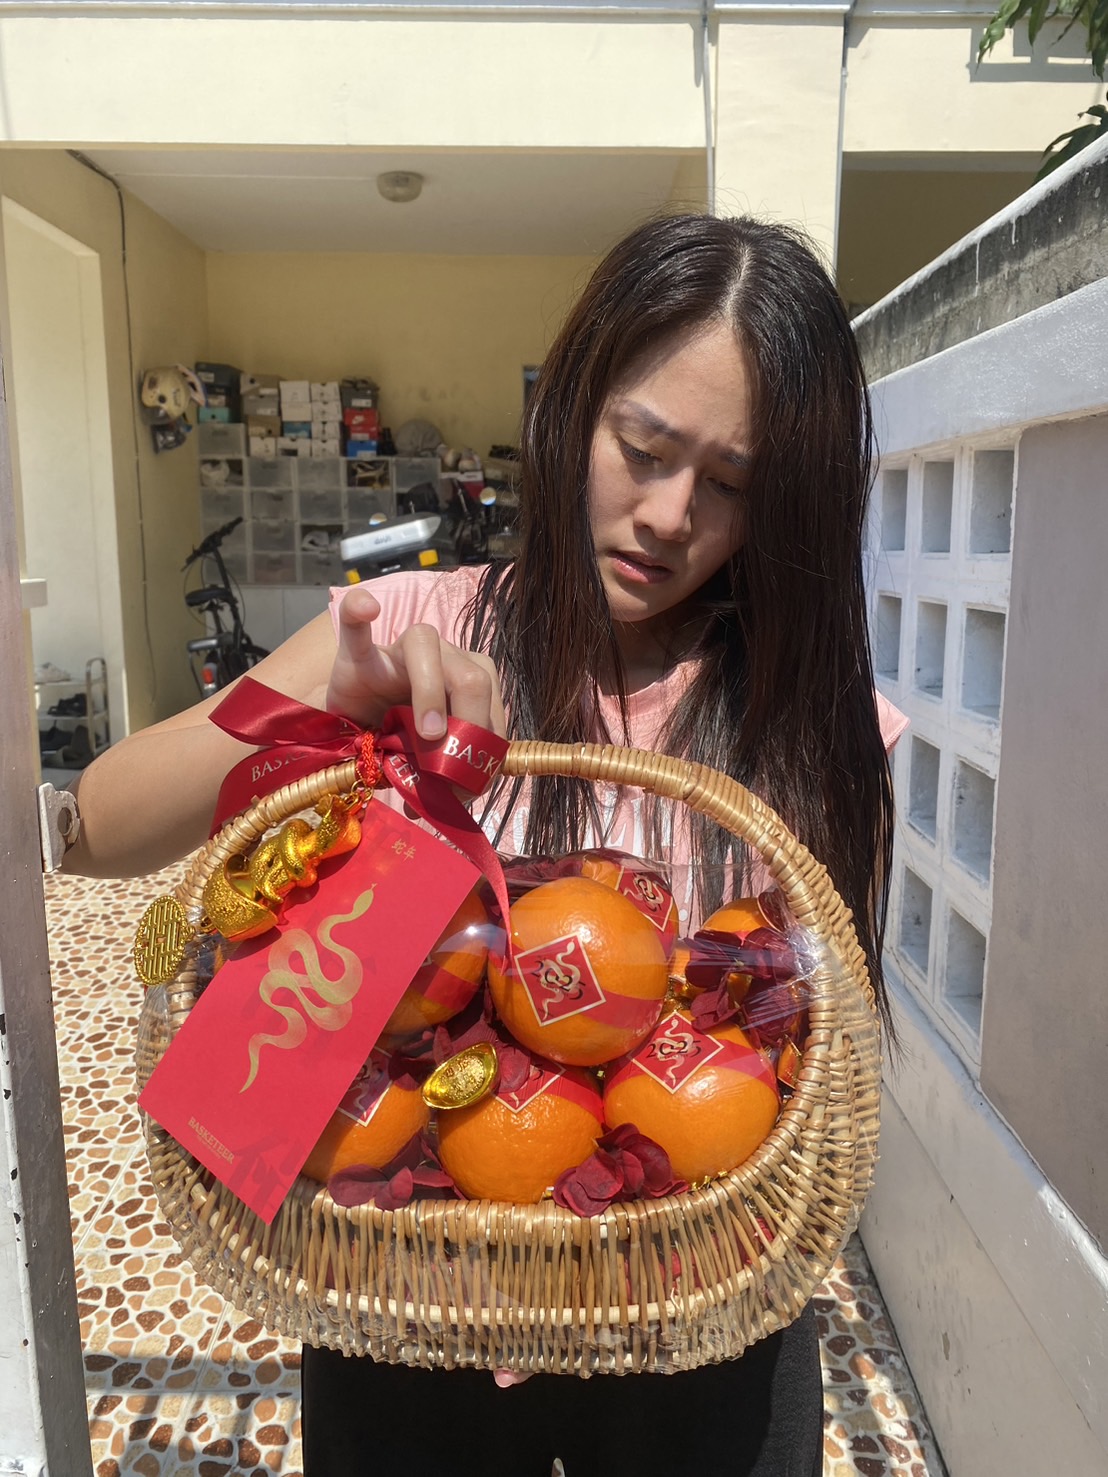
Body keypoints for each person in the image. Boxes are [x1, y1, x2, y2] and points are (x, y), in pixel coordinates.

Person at [67, 212, 906, 1476]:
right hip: (410, 1317)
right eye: (643, 446)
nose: (670, 515)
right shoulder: (412, 625)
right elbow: (97, 831)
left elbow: (816, 1045)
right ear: (571, 413)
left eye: (730, 483)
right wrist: (330, 719)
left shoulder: (814, 724)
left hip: (698, 1330)